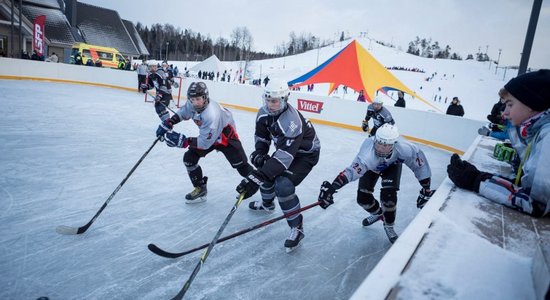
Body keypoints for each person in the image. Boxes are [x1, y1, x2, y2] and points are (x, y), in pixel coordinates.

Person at [447, 69, 550, 217]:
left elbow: (536, 203)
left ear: (531, 103)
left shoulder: (547, 138)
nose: (504, 113)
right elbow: (525, 185)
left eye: (510, 105)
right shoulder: (535, 133)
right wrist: (480, 176)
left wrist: (476, 180)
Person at [234, 79, 321, 252]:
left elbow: (284, 158)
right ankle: (268, 205)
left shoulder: (291, 121)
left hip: (305, 155)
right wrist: (259, 153)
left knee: (282, 184)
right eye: (268, 99)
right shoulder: (263, 113)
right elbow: (262, 137)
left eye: (275, 101)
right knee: (265, 167)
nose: (271, 104)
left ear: (285, 100)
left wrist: (255, 179)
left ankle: (297, 227)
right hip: (287, 152)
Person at [317, 124, 434, 243]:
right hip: (372, 167)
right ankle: (379, 214)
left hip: (392, 166)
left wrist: (426, 189)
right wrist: (332, 188)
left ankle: (389, 225)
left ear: (394, 144)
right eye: (378, 143)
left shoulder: (405, 148)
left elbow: (420, 165)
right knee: (362, 198)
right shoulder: (367, 155)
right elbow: (351, 171)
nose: (380, 148)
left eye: (386, 145)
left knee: (389, 197)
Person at [155, 82, 254, 203]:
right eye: (192, 99)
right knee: (189, 158)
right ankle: (200, 188)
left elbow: (205, 143)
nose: (195, 102)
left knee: (242, 167)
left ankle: (264, 183)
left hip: (226, 138)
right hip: (209, 136)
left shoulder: (211, 114)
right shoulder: (192, 104)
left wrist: (184, 141)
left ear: (205, 97)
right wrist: (170, 122)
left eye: (198, 99)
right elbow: (184, 112)